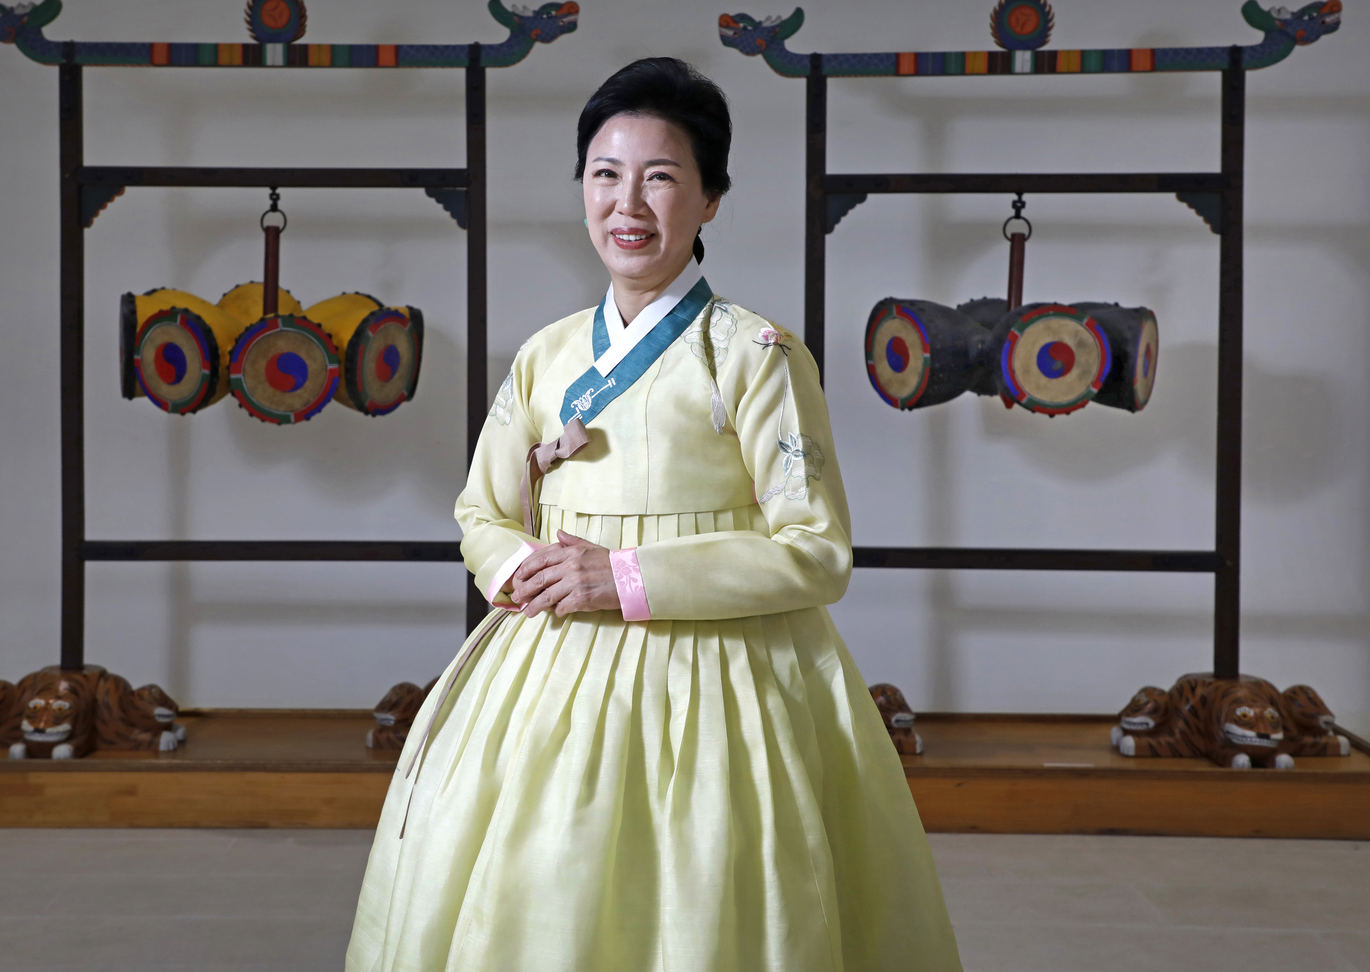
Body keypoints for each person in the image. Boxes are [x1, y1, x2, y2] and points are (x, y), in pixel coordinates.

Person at [346, 57, 961, 972]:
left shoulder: (755, 355)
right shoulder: (547, 356)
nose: (627, 203)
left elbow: (815, 549)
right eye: (605, 174)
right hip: (547, 663)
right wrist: (527, 571)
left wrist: (621, 574)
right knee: (537, 886)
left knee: (709, 895)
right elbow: (482, 507)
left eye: (661, 176)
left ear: (710, 199)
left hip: (723, 674)